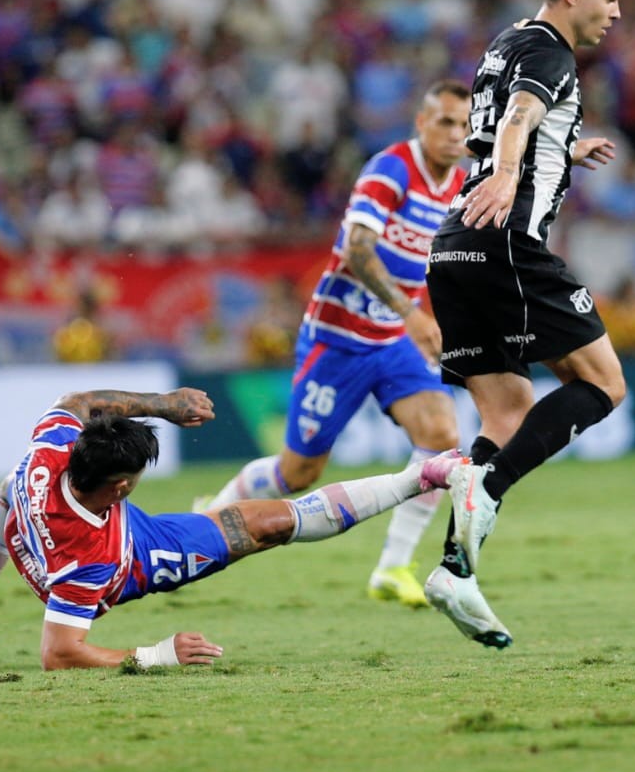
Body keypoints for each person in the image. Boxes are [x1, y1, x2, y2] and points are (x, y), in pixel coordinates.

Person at [0, 387, 450, 669]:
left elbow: (78, 401)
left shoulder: (50, 450)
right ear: (122, 486)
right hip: (138, 555)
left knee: (3, 495)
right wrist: (159, 654)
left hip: (37, 531)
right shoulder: (95, 555)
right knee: (276, 521)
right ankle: (422, 476)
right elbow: (59, 653)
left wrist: (161, 405)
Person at [418, 0, 629, 649]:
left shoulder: (503, 44)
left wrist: (561, 150)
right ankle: (489, 491)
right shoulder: (549, 50)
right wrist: (513, 173)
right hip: (506, 242)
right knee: (604, 385)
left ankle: (455, 570)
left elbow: (492, 130)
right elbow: (514, 121)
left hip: (453, 249)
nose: (616, 13)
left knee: (506, 408)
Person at [196, 81, 470, 609]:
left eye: (463, 124)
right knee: (297, 473)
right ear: (420, 123)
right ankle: (212, 516)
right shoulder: (389, 170)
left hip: (391, 342)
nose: (455, 134)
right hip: (337, 341)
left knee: (441, 433)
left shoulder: (458, 183)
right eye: (444, 122)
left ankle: (393, 567)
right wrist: (413, 314)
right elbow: (357, 251)